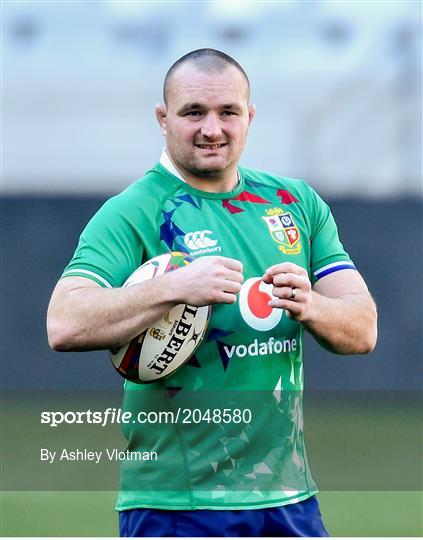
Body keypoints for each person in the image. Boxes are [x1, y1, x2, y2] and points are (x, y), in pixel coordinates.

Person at [47, 48, 377, 537]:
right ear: (163, 119)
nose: (212, 129)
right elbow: (64, 321)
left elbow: (363, 327)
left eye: (228, 112)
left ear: (250, 116)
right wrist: (176, 286)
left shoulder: (294, 203)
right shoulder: (133, 211)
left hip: (288, 499)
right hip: (176, 504)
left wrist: (311, 306)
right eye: (193, 112)